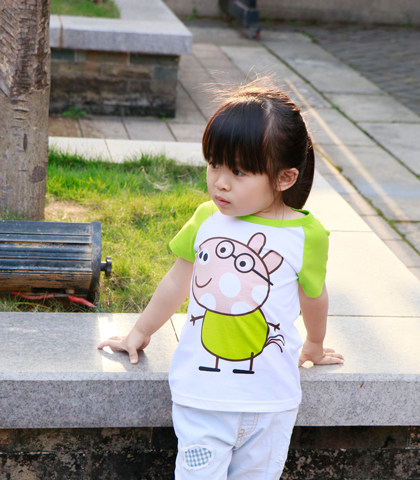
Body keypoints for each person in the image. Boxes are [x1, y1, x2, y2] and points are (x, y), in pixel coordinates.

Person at [98, 81, 344, 480]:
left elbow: (314, 295)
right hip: (202, 401)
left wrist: (314, 343)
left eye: (239, 171)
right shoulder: (206, 220)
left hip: (271, 404)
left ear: (284, 178)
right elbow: (176, 282)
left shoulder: (306, 234)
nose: (220, 182)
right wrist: (139, 332)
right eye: (214, 164)